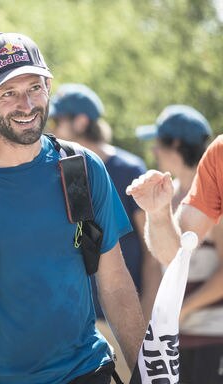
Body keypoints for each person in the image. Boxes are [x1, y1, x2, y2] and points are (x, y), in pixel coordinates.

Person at [0, 32, 145, 383]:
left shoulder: (83, 168)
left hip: (87, 368)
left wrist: (147, 375)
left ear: (49, 87)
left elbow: (115, 285)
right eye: (8, 93)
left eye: (34, 88)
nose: (26, 104)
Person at [48, 84, 162, 379]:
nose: (53, 127)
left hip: (124, 316)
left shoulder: (128, 168)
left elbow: (150, 246)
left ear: (81, 121)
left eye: (57, 120)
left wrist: (146, 308)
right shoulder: (61, 168)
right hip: (78, 323)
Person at [132, 105, 223, 384]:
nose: (154, 151)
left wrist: (182, 311)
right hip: (180, 339)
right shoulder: (212, 168)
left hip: (211, 337)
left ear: (175, 144)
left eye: (158, 143)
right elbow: (175, 256)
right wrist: (157, 213)